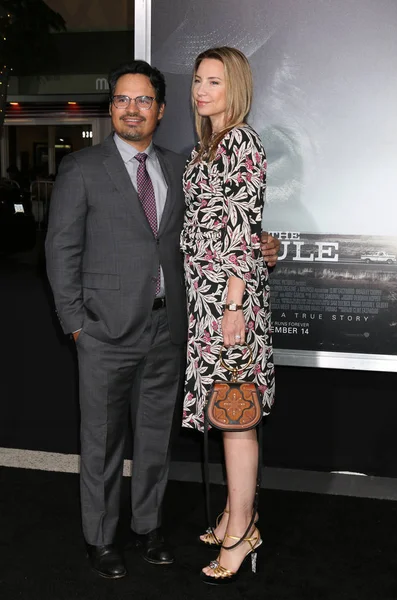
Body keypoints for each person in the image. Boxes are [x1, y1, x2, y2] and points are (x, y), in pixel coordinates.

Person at [45, 59, 280, 580]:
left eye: (143, 99)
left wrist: (263, 247)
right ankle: (101, 538)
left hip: (169, 328)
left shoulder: (182, 164)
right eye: (122, 100)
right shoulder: (82, 169)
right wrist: (75, 325)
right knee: (102, 442)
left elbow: (228, 224)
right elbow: (60, 250)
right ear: (111, 110)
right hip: (103, 331)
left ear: (159, 109)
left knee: (155, 439)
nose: (132, 109)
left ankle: (147, 528)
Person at [180, 47, 275, 585]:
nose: (201, 90)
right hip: (207, 298)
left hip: (228, 299)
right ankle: (235, 515)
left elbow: (241, 228)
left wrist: (234, 303)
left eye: (213, 81)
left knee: (236, 415)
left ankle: (243, 530)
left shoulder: (240, 140)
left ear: (233, 87)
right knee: (225, 410)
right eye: (197, 80)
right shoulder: (205, 147)